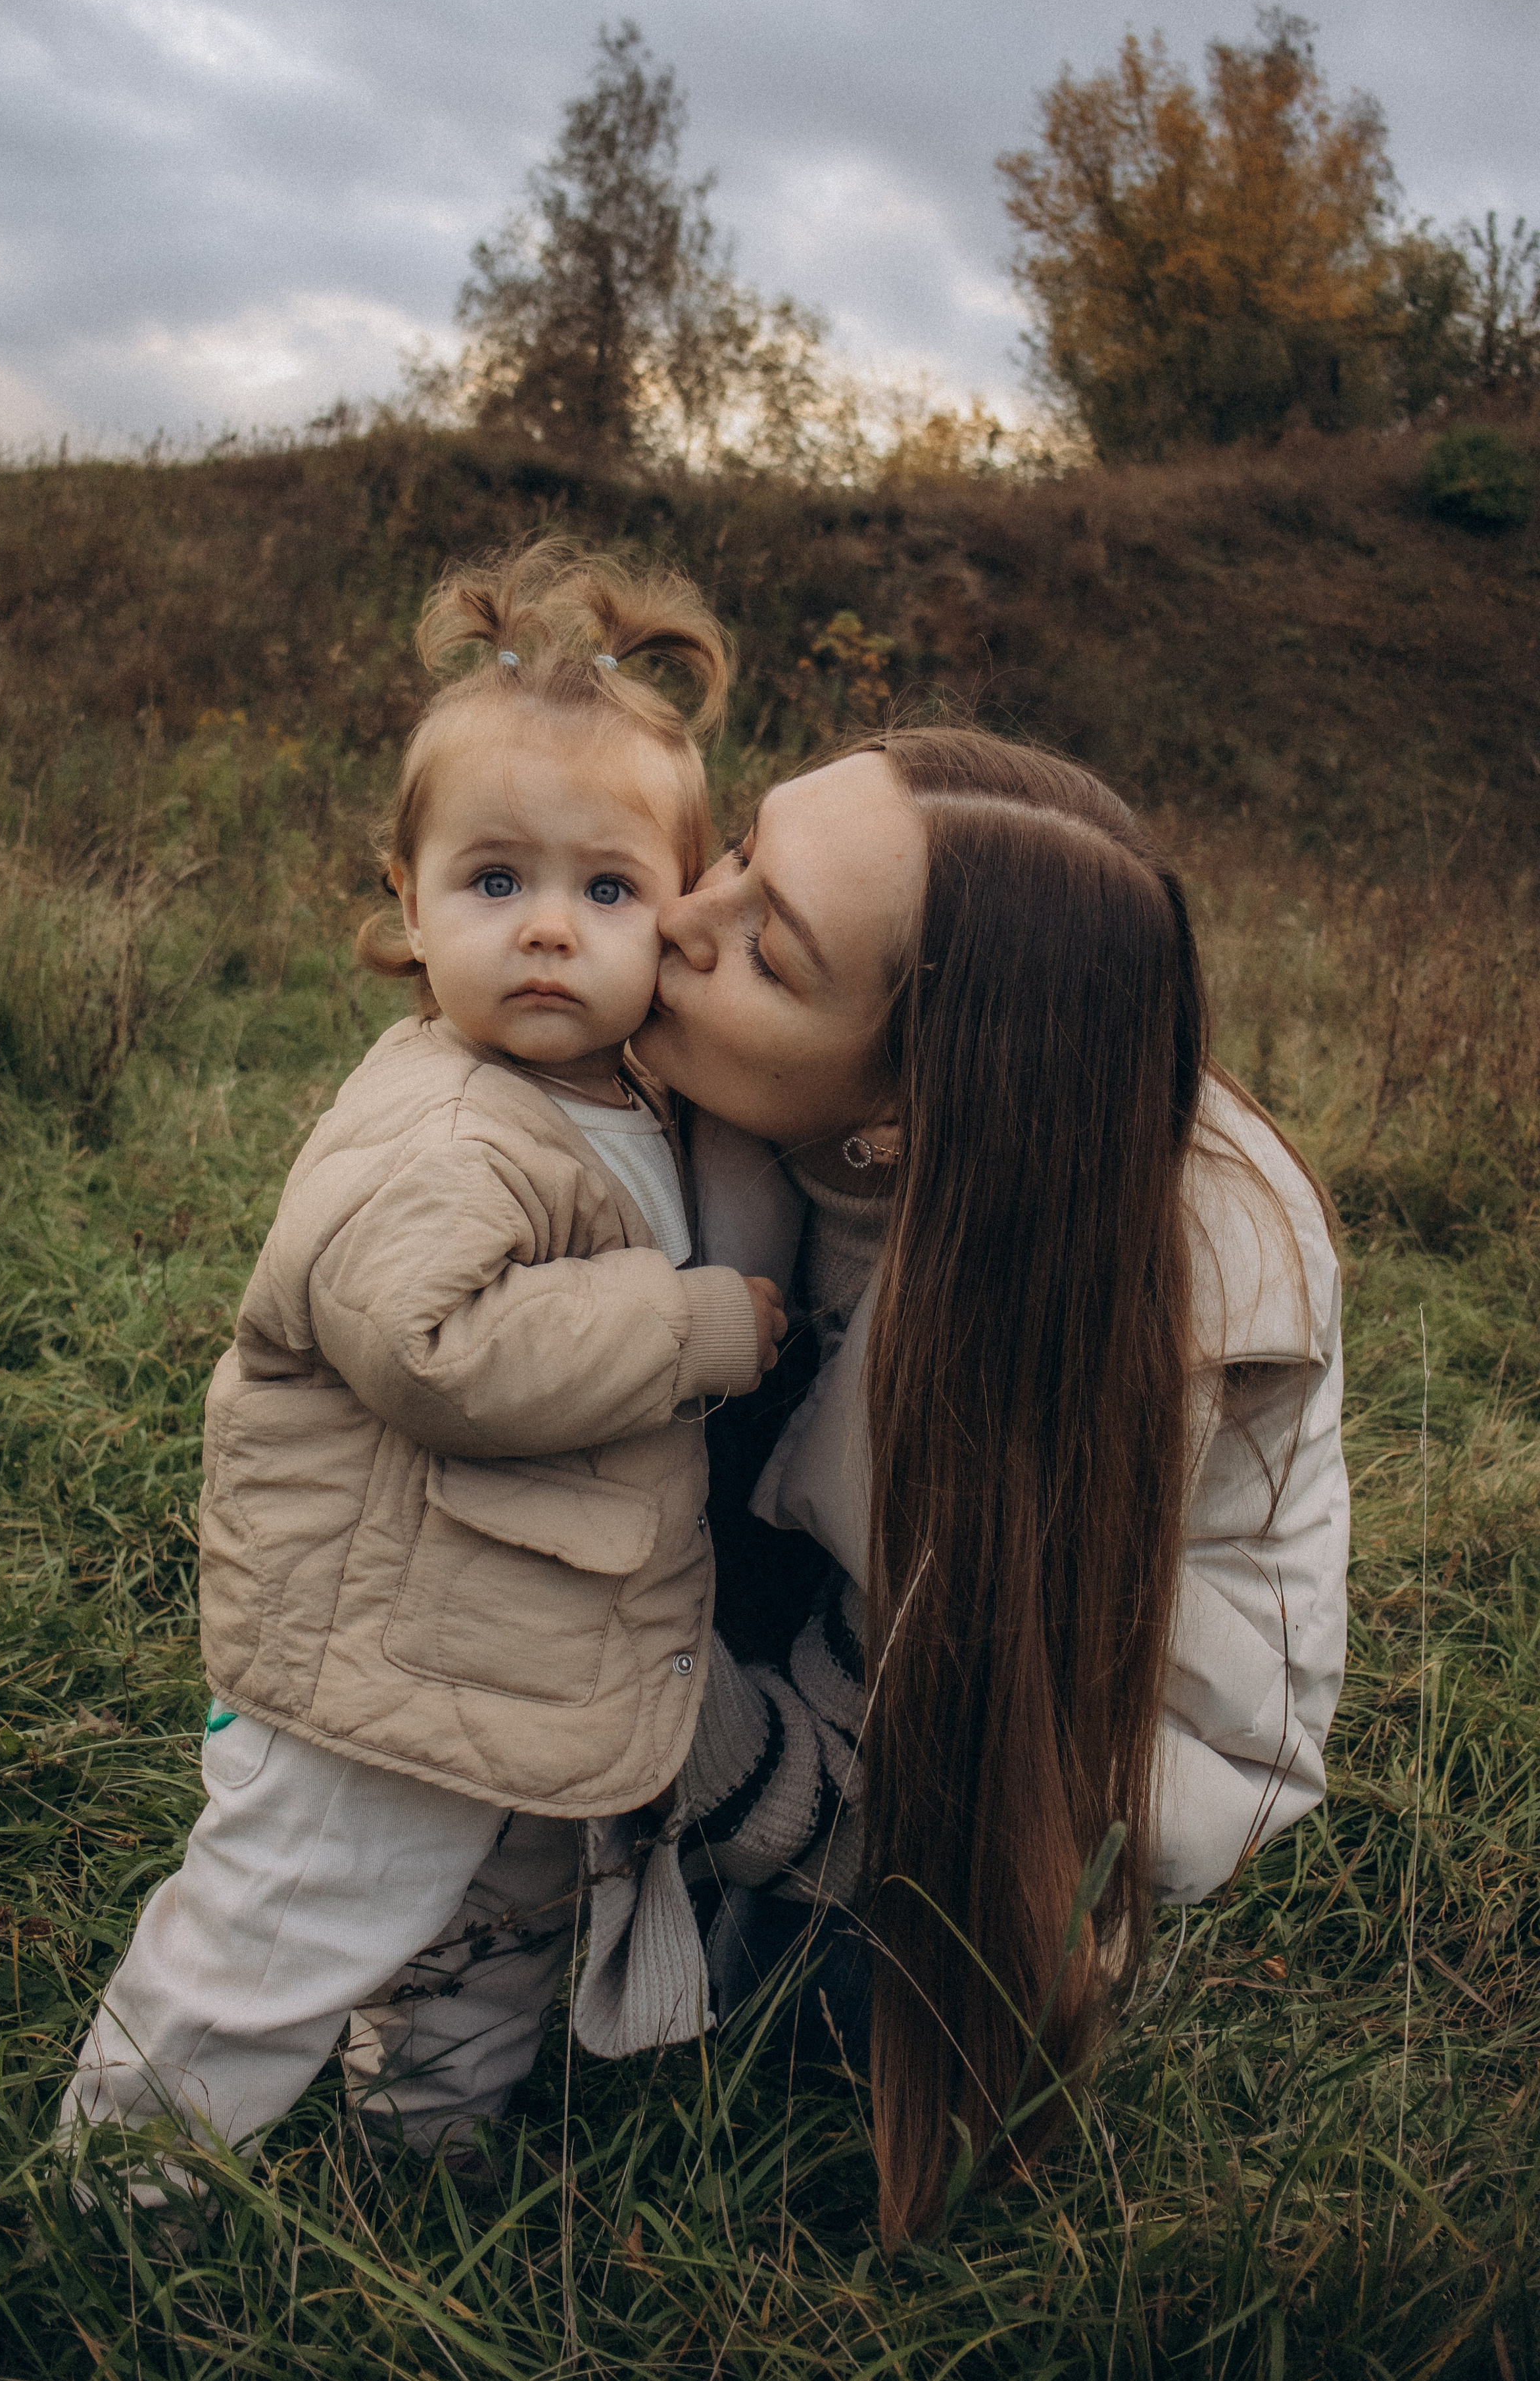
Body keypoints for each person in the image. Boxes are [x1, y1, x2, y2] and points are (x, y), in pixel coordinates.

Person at [58, 544, 787, 2186]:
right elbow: (434, 1350)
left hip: (510, 1636)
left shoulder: (623, 1096)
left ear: (678, 913)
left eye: (605, 892)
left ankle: (432, 2160)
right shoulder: (447, 1124)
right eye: (491, 884)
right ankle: (116, 2192)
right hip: (380, 1651)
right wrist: (698, 1329)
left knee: (498, 1918)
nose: (547, 932)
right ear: (405, 897)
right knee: (291, 1914)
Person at [570, 723, 1349, 2247]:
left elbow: (944, 1779)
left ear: (904, 1111)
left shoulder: (1122, 1296)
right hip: (847, 1597)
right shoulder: (762, 1078)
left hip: (1034, 1784)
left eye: (768, 954)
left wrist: (628, 1698)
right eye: (738, 854)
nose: (676, 917)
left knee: (811, 2019)